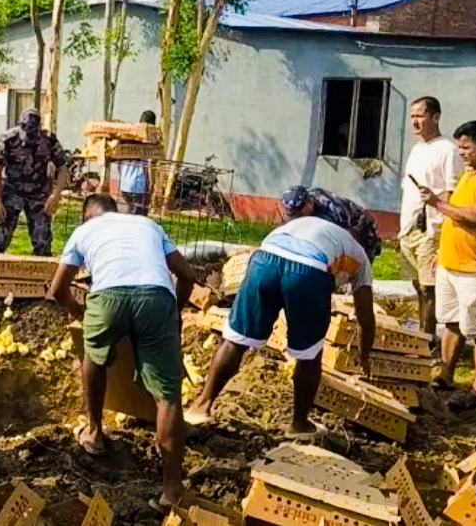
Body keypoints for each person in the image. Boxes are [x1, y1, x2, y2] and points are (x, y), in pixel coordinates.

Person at [48, 194, 198, 513]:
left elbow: (57, 289)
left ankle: (94, 432)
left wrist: (78, 312)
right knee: (168, 396)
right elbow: (188, 276)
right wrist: (173, 311)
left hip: (107, 298)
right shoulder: (149, 225)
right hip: (156, 297)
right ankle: (171, 492)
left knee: (94, 358)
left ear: (88, 216)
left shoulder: (85, 231)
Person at [185, 211, 376, 441]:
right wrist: (364, 356)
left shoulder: (317, 226)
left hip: (263, 259)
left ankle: (201, 407)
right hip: (308, 268)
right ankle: (299, 424)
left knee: (235, 340)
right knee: (310, 354)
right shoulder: (360, 256)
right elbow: (365, 315)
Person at [418, 120, 476, 409]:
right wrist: (441, 252)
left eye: (466, 147)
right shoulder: (469, 175)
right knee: (452, 322)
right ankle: (446, 375)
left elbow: (475, 216)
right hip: (450, 264)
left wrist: (436, 203)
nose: (461, 153)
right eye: (459, 147)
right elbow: (455, 216)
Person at [398, 97, 463, 339]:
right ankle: (422, 333)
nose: (415, 121)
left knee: (429, 287)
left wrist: (444, 231)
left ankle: (428, 340)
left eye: (420, 115)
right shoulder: (417, 149)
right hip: (409, 228)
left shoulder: (448, 149)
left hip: (432, 228)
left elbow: (452, 192)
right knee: (417, 284)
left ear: (435, 117)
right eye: (412, 116)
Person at [0, 108, 68, 256]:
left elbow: (63, 169)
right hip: (13, 191)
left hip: (38, 194)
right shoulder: (8, 139)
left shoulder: (49, 140)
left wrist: (55, 196)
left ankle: (41, 275)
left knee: (42, 242)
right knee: (0, 240)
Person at [279, 185, 382, 261]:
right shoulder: (298, 204)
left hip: (361, 228)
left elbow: (342, 239)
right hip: (342, 227)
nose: (296, 218)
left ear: (310, 202)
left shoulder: (330, 209)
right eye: (293, 214)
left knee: (356, 265)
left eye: (299, 213)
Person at [118, 110, 157, 215]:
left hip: (124, 185)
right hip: (139, 186)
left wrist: (122, 178)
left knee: (127, 217)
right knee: (139, 219)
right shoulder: (150, 142)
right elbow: (150, 165)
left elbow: (119, 164)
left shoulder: (127, 138)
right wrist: (152, 186)